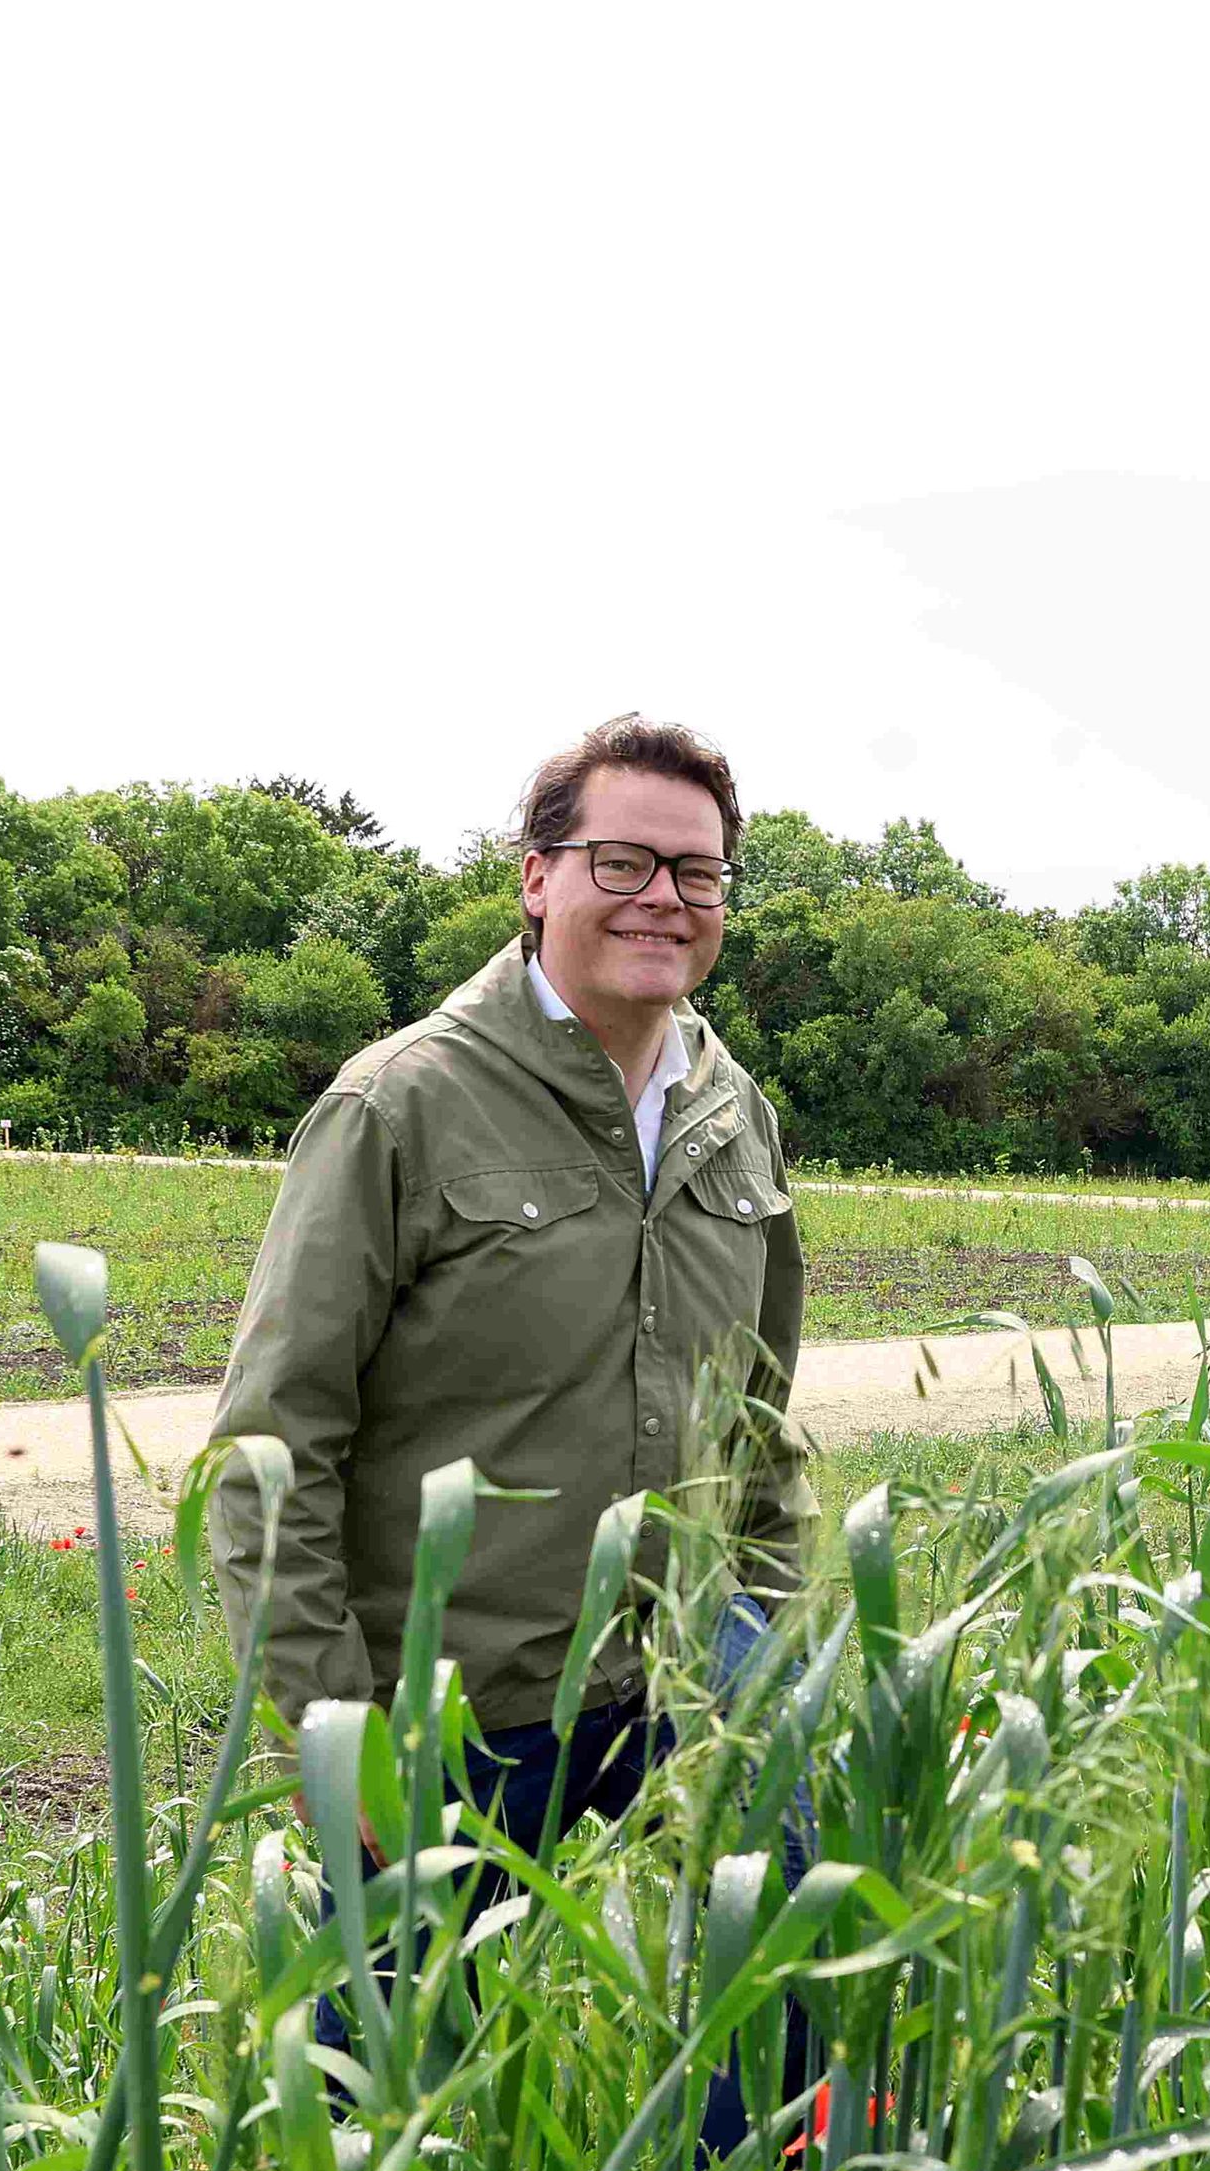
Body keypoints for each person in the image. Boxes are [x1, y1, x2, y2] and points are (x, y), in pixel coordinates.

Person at [206, 711, 811, 1978]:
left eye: (698, 874)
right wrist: (337, 1731)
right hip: (451, 1716)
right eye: (623, 862)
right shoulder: (403, 1102)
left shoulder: (733, 1114)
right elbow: (271, 1449)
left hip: (684, 1690)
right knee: (384, 2096)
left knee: (781, 2027)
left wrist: (776, 1650)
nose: (665, 899)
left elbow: (764, 1426)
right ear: (537, 879)